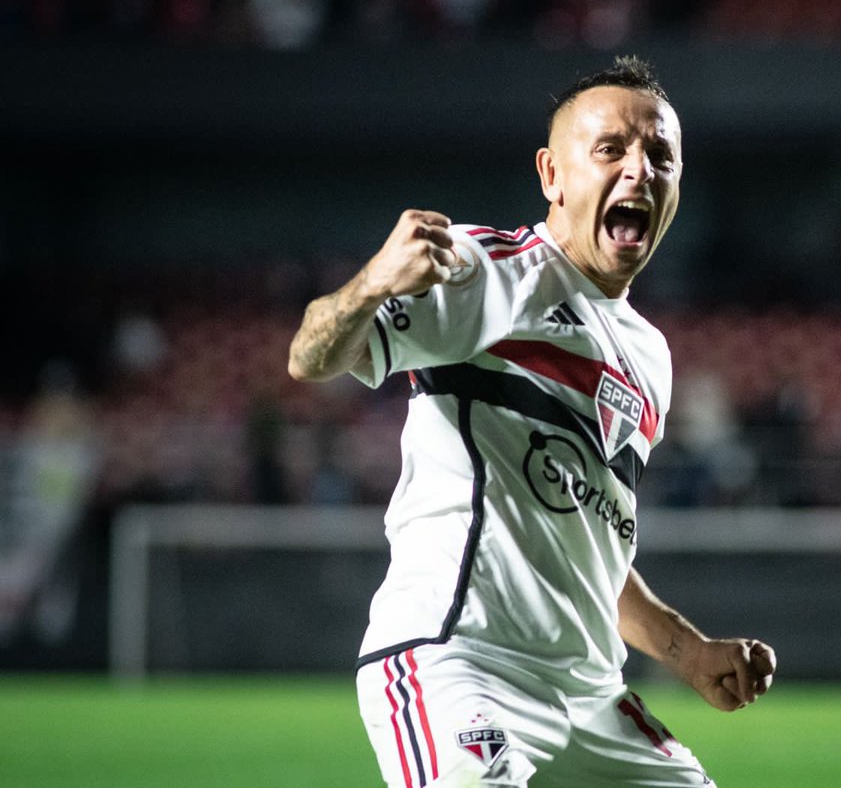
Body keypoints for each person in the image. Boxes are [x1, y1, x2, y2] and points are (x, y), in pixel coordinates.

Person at [288, 55, 776, 788]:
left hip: (590, 698)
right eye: (611, 149)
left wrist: (688, 652)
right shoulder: (488, 272)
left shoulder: (650, 356)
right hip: (459, 662)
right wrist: (371, 287)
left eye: (660, 155)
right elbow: (310, 355)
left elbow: (592, 545)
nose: (640, 170)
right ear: (552, 175)